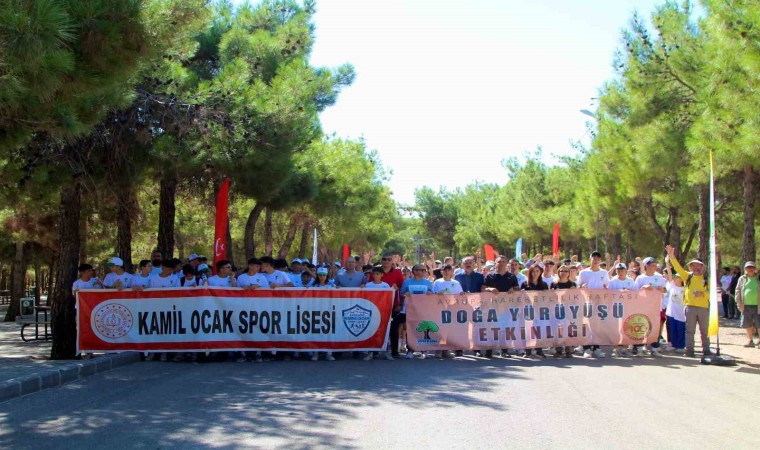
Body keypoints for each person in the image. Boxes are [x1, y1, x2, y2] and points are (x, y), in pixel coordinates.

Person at [665, 245, 711, 357]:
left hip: (703, 308)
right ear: (690, 267)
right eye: (693, 265)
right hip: (690, 307)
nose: (695, 267)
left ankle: (706, 350)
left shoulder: (706, 279)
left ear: (702, 267)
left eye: (698, 265)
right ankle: (689, 351)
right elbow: (678, 268)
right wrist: (672, 256)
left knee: (704, 331)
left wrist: (703, 294)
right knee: (690, 330)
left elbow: (712, 293)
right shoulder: (687, 276)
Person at [482, 256, 520, 358]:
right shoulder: (490, 276)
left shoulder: (511, 276)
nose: (501, 263)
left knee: (504, 329)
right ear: (495, 263)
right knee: (492, 328)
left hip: (506, 306)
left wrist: (513, 290)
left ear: (506, 264)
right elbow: (483, 289)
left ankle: (504, 350)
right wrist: (490, 289)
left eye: (503, 262)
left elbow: (517, 289)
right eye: (499, 262)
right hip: (492, 306)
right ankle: (489, 350)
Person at [633, 257, 667, 357]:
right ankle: (640, 348)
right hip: (643, 306)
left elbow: (665, 290)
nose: (655, 267)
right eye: (653, 265)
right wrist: (643, 287)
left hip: (656, 306)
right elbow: (635, 291)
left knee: (655, 328)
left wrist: (662, 289)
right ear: (646, 266)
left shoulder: (659, 277)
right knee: (642, 326)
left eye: (655, 265)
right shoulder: (640, 278)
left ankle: (654, 348)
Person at [578, 251, 610, 358]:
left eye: (598, 258)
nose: (595, 260)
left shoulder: (604, 273)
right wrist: (582, 287)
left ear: (600, 260)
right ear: (590, 259)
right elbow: (578, 287)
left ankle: (596, 348)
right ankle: (587, 348)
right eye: (594, 258)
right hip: (586, 302)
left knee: (597, 325)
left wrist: (605, 290)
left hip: (599, 303)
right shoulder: (583, 273)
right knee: (586, 325)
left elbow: (607, 286)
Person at [400, 264, 434, 359]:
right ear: (415, 271)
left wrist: (430, 293)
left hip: (423, 309)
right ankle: (410, 350)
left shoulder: (427, 282)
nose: (424, 272)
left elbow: (433, 294)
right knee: (410, 329)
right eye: (421, 270)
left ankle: (424, 350)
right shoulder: (407, 282)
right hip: (410, 309)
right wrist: (405, 294)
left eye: (424, 270)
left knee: (424, 328)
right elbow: (401, 293)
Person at [363, 266, 395, 361]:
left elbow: (389, 298)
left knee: (385, 333)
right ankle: (370, 352)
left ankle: (386, 352)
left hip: (383, 312)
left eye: (378, 274)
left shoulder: (385, 286)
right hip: (372, 312)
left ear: (382, 275)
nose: (375, 276)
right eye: (374, 274)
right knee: (371, 332)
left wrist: (394, 289)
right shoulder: (368, 285)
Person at [379, 253, 405, 358]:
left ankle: (394, 351)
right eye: (384, 259)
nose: (386, 261)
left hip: (393, 306)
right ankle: (376, 351)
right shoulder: (375, 272)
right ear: (381, 260)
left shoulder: (397, 273)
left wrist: (401, 304)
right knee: (378, 328)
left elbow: (402, 290)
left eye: (389, 260)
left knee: (394, 329)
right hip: (378, 306)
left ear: (392, 262)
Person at [607, 262, 635, 357]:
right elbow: (609, 294)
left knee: (626, 328)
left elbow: (635, 293)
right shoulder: (613, 281)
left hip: (627, 307)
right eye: (618, 270)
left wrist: (628, 292)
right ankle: (615, 349)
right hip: (616, 307)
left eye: (622, 270)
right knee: (616, 329)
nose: (620, 272)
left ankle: (624, 349)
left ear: (626, 271)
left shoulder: (630, 281)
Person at [521, 264, 549, 358]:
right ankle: (528, 351)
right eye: (533, 271)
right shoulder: (525, 284)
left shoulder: (544, 284)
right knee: (528, 330)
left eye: (537, 271)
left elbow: (547, 298)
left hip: (540, 310)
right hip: (528, 310)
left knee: (539, 330)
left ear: (540, 272)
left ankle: (539, 350)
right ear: (530, 272)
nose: (535, 273)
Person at [551, 265, 576, 357]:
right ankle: (558, 349)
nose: (564, 273)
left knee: (568, 328)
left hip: (568, 309)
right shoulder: (554, 284)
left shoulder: (572, 284)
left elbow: (575, 298)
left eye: (566, 271)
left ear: (569, 273)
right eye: (562, 271)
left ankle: (568, 349)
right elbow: (550, 297)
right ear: (558, 272)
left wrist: (574, 291)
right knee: (558, 329)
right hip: (557, 309)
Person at [735, 261, 759, 348]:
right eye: (748, 267)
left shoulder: (758, 278)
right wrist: (738, 303)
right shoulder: (742, 278)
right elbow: (737, 290)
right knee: (747, 324)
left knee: (759, 324)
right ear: (745, 269)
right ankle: (750, 341)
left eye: (752, 267)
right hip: (745, 305)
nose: (750, 269)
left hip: (758, 305)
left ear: (755, 269)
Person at [663, 266, 686, 353]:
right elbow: (669, 274)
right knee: (672, 329)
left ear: (682, 279)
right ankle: (673, 344)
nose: (675, 278)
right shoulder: (672, 285)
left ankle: (681, 346)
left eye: (677, 277)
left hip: (681, 313)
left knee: (680, 329)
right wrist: (667, 264)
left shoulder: (685, 289)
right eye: (675, 277)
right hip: (671, 312)